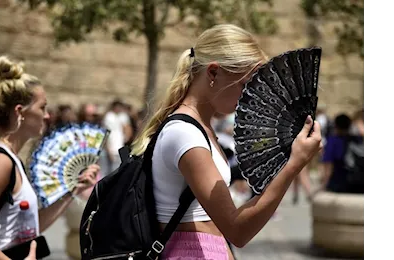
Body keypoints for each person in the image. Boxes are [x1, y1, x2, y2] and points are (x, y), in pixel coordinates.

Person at [130, 24, 323, 260]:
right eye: (245, 85)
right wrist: (294, 165)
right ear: (213, 73)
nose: (248, 97)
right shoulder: (184, 135)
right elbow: (238, 230)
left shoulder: (199, 129)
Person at [0, 56, 101, 260]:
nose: (46, 116)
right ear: (20, 112)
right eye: (42, 107)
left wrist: (73, 190)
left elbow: (31, 228)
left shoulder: (11, 159)